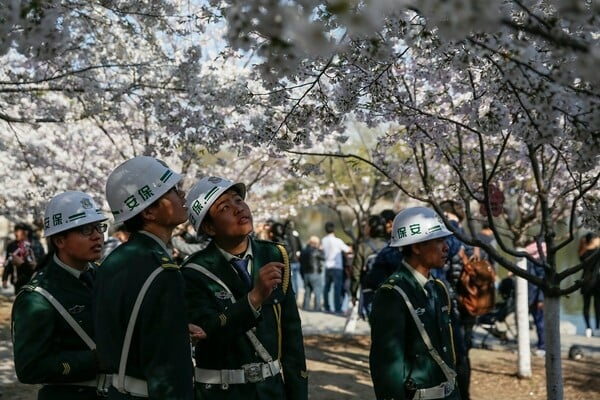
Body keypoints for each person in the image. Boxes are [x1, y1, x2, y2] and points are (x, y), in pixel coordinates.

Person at [181, 176, 308, 400]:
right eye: (225, 207)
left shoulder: (275, 254)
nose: (238, 209)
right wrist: (255, 298)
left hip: (271, 391)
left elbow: (291, 336)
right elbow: (207, 330)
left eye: (238, 200)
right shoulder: (194, 271)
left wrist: (297, 393)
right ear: (209, 227)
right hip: (222, 393)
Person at [93, 156, 197, 399]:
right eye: (172, 190)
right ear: (149, 211)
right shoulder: (162, 271)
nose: (182, 195)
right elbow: (169, 372)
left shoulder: (113, 261)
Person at [12, 191, 109, 399]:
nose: (97, 236)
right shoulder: (37, 296)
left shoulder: (103, 275)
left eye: (99, 227)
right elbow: (29, 367)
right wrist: (96, 360)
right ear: (59, 240)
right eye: (85, 229)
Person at [369, 206, 461, 400]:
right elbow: (388, 367)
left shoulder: (438, 289)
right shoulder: (392, 294)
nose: (446, 247)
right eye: (438, 241)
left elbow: (449, 354)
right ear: (417, 247)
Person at [2, 222, 42, 293]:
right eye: (15, 231)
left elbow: (41, 261)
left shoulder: (35, 245)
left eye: (18, 231)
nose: (15, 233)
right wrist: (4, 278)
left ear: (26, 232)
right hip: (17, 279)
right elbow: (8, 262)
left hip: (32, 279)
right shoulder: (12, 245)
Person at [321, 221, 351, 314]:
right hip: (337, 267)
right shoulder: (338, 241)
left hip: (327, 266)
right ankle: (337, 308)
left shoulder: (323, 240)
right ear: (334, 229)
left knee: (326, 288)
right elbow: (348, 249)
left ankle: (327, 307)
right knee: (337, 289)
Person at [525, 239, 546, 356]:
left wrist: (541, 299)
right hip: (530, 296)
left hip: (535, 297)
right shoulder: (533, 260)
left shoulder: (540, 262)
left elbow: (542, 282)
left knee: (540, 322)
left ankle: (542, 346)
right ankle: (539, 345)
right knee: (538, 322)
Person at [579, 232, 600, 337]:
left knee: (586, 306)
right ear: (593, 240)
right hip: (596, 282)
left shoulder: (583, 252)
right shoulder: (597, 252)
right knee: (597, 306)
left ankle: (588, 328)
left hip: (585, 281)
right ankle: (597, 328)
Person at [299, 235, 325, 311]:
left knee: (307, 292)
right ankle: (317, 308)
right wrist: (321, 250)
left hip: (306, 274)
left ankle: (305, 307)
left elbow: (300, 262)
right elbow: (323, 257)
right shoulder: (316, 251)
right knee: (317, 291)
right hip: (315, 273)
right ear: (316, 243)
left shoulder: (303, 251)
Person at [284, 219, 303, 300]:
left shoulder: (285, 235)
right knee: (295, 281)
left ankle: (293, 299)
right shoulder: (296, 234)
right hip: (296, 261)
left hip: (290, 261)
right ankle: (295, 299)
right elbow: (300, 247)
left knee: (291, 282)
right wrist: (298, 254)